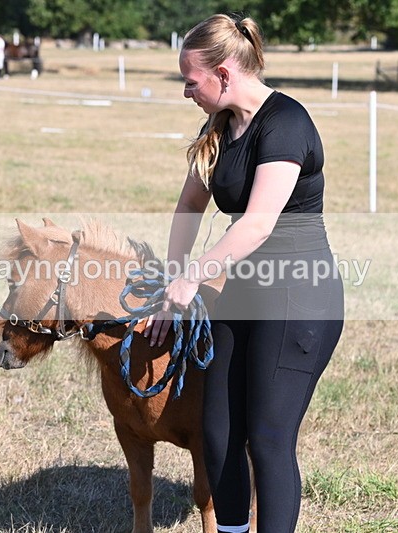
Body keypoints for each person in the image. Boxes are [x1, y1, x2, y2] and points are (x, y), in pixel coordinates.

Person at [143, 14, 344, 533]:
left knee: (267, 436)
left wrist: (194, 279)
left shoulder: (287, 123)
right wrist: (173, 284)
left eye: (191, 79)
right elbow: (189, 205)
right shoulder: (220, 128)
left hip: (301, 297)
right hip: (246, 294)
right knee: (219, 433)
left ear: (225, 72)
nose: (186, 90)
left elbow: (256, 224)